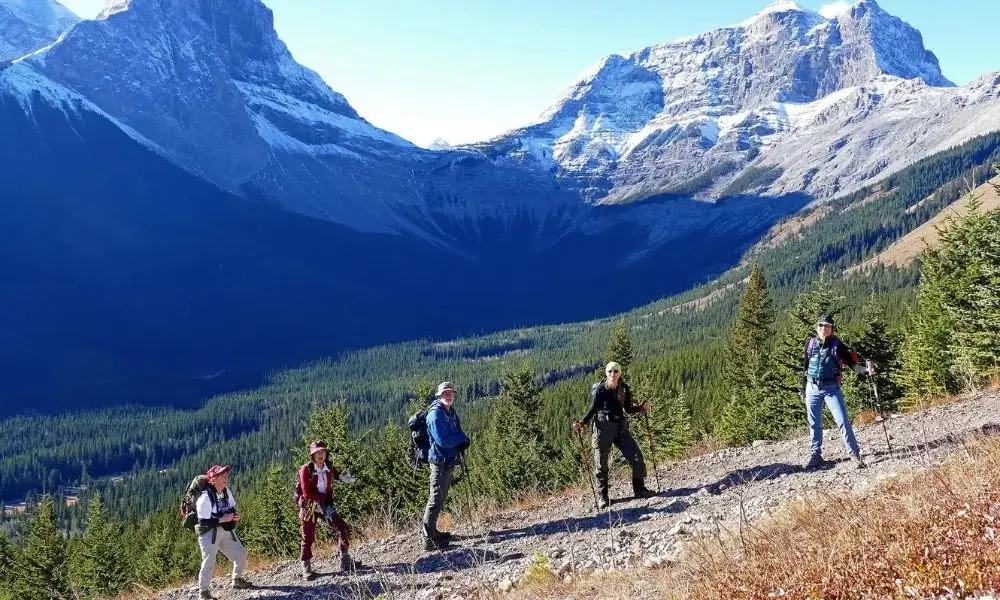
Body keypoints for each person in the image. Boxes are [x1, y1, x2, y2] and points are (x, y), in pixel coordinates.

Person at [573, 362, 656, 509]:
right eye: (610, 371)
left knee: (636, 457)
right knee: (601, 465)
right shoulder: (600, 389)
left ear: (620, 373)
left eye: (615, 371)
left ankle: (639, 490)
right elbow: (593, 409)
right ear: (606, 373)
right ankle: (602, 497)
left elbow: (628, 409)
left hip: (620, 427)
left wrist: (640, 408)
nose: (613, 374)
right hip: (602, 428)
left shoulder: (624, 388)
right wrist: (583, 423)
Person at [800, 313, 876, 471]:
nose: (823, 328)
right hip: (812, 388)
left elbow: (852, 364)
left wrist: (866, 370)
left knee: (842, 421)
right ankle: (816, 455)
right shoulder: (810, 343)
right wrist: (803, 389)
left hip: (831, 388)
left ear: (832, 329)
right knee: (814, 424)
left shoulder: (837, 345)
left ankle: (854, 454)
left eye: (827, 326)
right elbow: (806, 368)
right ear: (817, 327)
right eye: (821, 325)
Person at [297, 441, 362, 580]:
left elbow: (337, 475)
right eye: (317, 453)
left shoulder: (329, 467)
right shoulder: (306, 469)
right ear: (312, 455)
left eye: (323, 452)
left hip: (325, 504)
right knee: (308, 536)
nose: (321, 455)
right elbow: (306, 493)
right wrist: (322, 498)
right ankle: (306, 568)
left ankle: (345, 561)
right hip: (310, 506)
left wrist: (346, 478)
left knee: (342, 528)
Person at [421, 381, 470, 551]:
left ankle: (433, 532)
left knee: (439, 498)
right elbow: (442, 440)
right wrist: (461, 440)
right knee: (435, 499)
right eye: (445, 393)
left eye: (450, 393)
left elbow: (457, 430)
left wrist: (461, 440)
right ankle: (428, 539)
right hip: (439, 462)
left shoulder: (449, 411)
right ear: (439, 395)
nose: (448, 395)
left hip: (447, 460)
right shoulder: (435, 415)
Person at [195, 464, 252, 599]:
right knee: (209, 562)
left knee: (241, 554)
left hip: (224, 529)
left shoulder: (226, 491)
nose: (225, 478)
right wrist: (221, 519)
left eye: (226, 475)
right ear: (213, 479)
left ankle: (237, 580)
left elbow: (231, 508)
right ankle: (204, 593)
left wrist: (234, 515)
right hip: (208, 533)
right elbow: (203, 522)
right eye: (221, 476)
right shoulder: (205, 497)